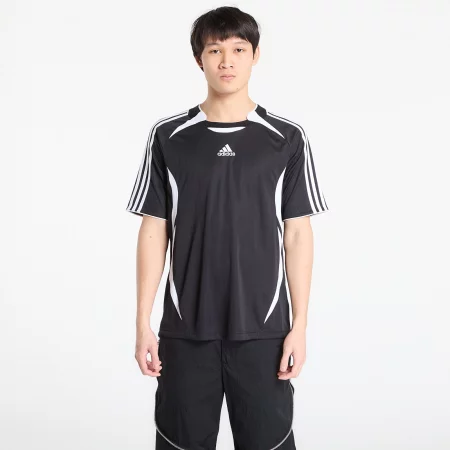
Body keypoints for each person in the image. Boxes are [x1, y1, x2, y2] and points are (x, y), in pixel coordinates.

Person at [126, 6, 329, 449]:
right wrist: (143, 323)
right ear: (199, 59)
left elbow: (297, 235)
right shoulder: (169, 136)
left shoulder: (286, 138)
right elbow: (153, 230)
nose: (227, 61)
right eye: (215, 50)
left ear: (255, 55)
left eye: (238, 49)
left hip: (264, 331)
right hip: (185, 330)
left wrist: (299, 326)